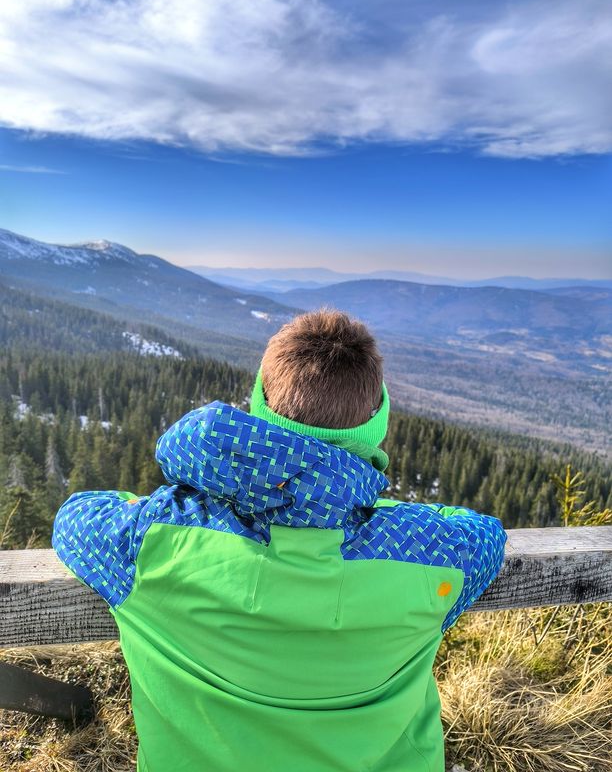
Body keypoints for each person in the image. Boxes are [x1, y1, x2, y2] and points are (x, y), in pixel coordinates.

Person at [53, 308, 507, 772]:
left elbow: (74, 517)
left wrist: (200, 467)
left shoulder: (148, 539)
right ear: (375, 427)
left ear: (259, 410)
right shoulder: (435, 555)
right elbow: (486, 534)